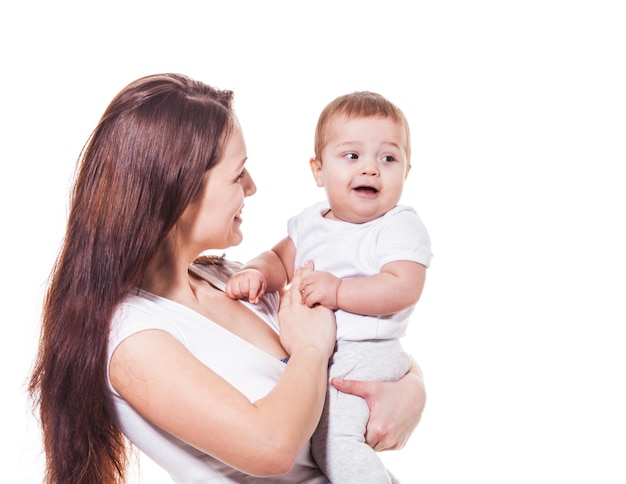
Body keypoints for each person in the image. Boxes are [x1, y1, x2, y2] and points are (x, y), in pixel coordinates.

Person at [27, 74, 427, 484]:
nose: (252, 188)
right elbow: (271, 447)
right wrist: (310, 350)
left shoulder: (233, 279)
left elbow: (361, 348)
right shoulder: (134, 337)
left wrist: (412, 391)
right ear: (179, 188)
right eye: (239, 174)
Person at [226, 91, 433, 483]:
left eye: (388, 158)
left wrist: (338, 292)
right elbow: (281, 258)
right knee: (311, 435)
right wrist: (256, 272)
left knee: (336, 442)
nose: (371, 169)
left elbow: (404, 286)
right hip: (329, 355)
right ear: (318, 170)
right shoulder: (311, 222)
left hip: (367, 353)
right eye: (352, 156)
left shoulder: (397, 225)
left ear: (406, 172)